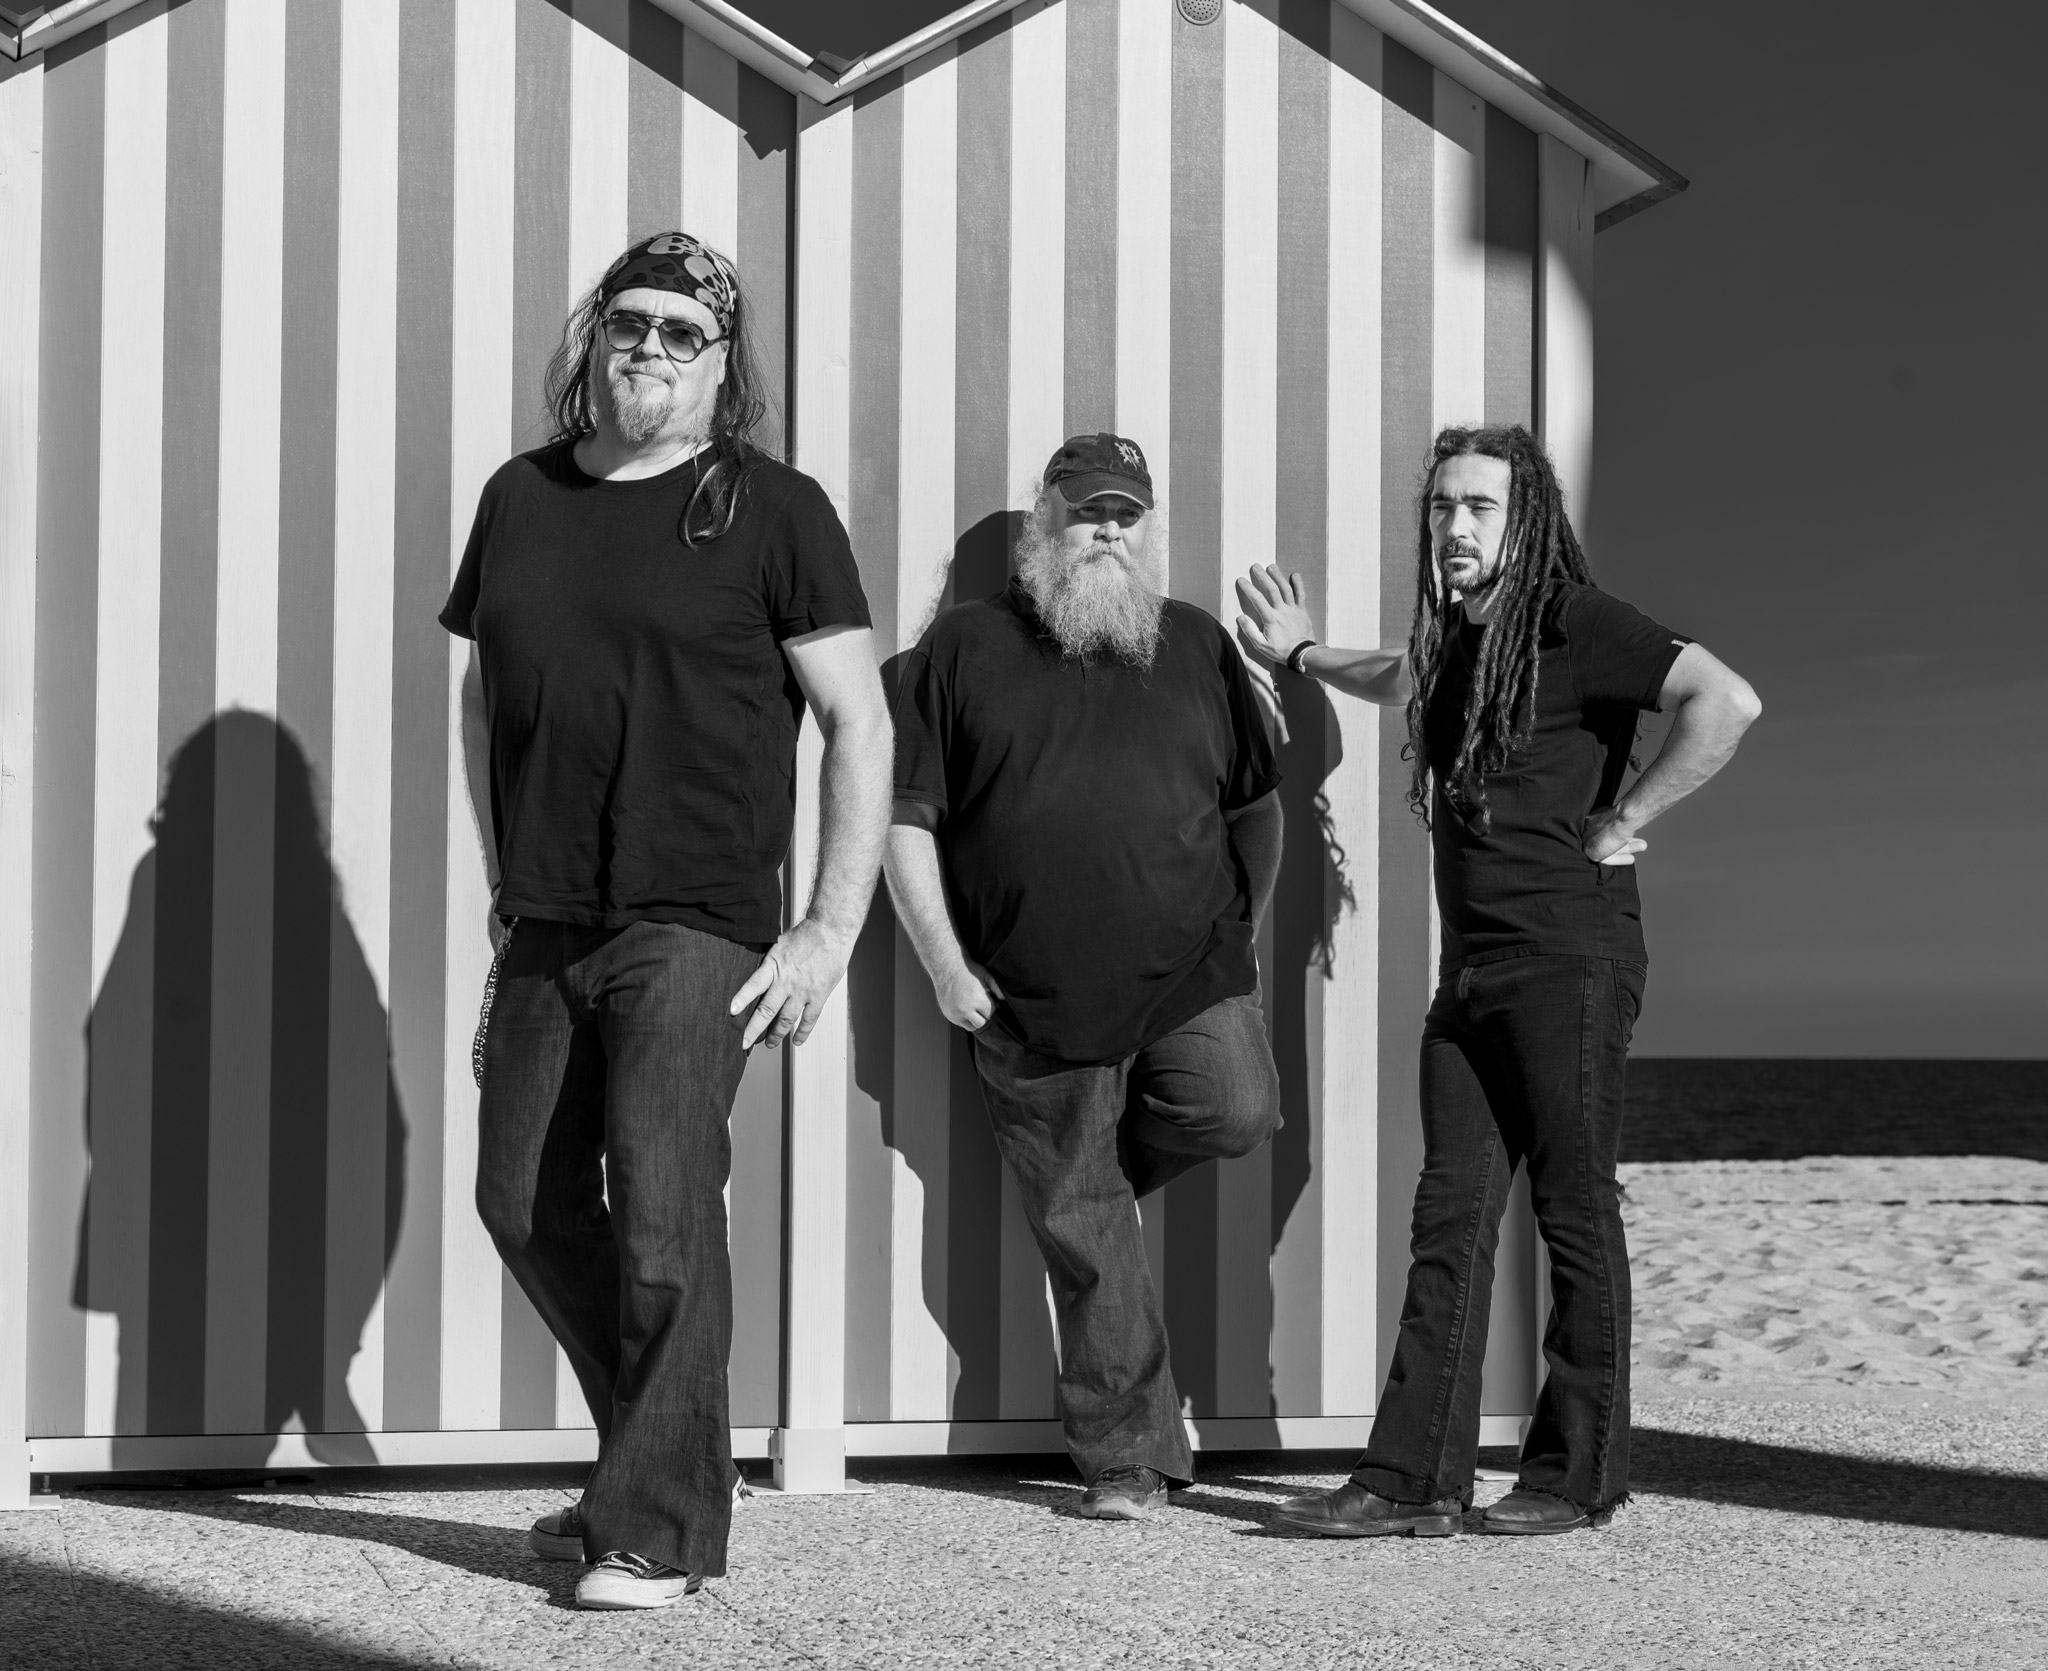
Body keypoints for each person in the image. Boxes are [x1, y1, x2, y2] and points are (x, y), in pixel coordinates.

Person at [442, 232, 891, 1608]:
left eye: (681, 331)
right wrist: (502, 879)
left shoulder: (771, 508)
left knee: (660, 1215)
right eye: (627, 322)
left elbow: (858, 721)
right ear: (593, 338)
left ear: (721, 362)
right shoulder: (519, 496)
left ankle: (658, 1527)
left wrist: (826, 929)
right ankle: (667, 1457)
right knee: (521, 1203)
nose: (648, 347)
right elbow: (482, 695)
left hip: (696, 920)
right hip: (545, 916)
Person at [1237, 424, 1759, 1538]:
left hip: (1570, 960)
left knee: (1572, 1211)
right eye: (1441, 506)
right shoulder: (1460, 643)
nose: (1456, 526)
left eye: (1480, 506)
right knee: (1450, 1220)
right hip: (1471, 972)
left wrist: (1624, 817)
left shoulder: (1578, 620)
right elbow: (1399, 674)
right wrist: (1302, 654)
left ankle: (1576, 1476)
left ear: (1527, 521)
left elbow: (1725, 700)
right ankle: (1412, 1480)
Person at [887, 433, 1285, 1521]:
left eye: (1125, 513)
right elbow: (904, 818)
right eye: (1086, 510)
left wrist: (1244, 927)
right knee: (1089, 1225)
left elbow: (1257, 807)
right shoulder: (962, 647)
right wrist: (943, 963)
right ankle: (1128, 1460)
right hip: (1030, 999)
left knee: (1235, 1109)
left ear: (1147, 527)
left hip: (1192, 974)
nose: (1107, 529)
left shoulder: (1195, 644)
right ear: (1044, 522)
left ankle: (1085, 1194)